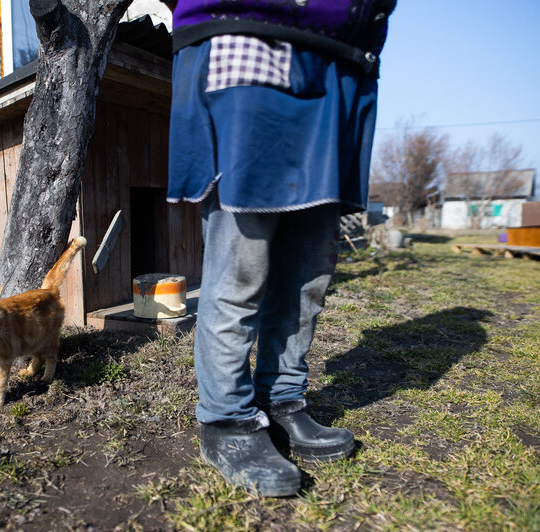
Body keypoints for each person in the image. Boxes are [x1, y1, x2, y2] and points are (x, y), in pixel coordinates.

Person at [163, 0, 396, 496]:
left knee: (309, 273)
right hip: (249, 38)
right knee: (241, 268)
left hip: (339, 65)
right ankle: (225, 421)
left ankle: (282, 398)